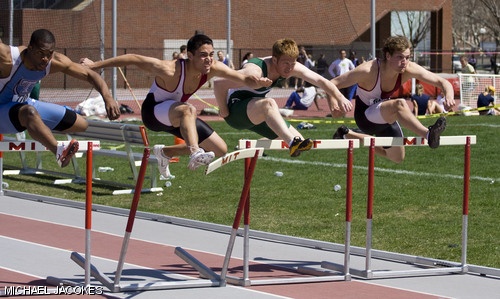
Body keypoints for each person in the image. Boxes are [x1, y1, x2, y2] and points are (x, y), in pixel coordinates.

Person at [81, 34, 271, 178]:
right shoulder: (169, 68)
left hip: (178, 116)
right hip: (154, 114)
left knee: (219, 150)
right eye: (203, 55)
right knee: (188, 109)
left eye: (211, 55)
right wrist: (95, 65)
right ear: (190, 55)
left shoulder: (213, 68)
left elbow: (242, 78)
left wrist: (258, 82)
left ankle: (164, 152)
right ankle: (195, 151)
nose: (209, 59)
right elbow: (132, 58)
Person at [0, 28, 120, 168]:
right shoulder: (7, 57)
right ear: (30, 48)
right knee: (29, 112)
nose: (45, 59)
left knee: (81, 124)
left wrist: (108, 98)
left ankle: (35, 127)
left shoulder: (55, 61)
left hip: (22, 103)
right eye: (40, 53)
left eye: (49, 54)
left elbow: (90, 75)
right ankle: (59, 151)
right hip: (4, 109)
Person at [214, 38, 351, 157]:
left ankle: (253, 146)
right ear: (274, 59)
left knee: (300, 139)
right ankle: (292, 143)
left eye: (293, 63)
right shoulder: (255, 69)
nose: (290, 68)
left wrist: (340, 98)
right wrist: (224, 111)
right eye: (286, 63)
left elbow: (321, 81)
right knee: (269, 104)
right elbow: (219, 83)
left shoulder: (292, 66)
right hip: (236, 110)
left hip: (255, 112)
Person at [331, 35, 455, 163]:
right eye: (400, 57)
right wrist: (334, 103)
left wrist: (449, 96)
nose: (404, 62)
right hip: (365, 117)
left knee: (397, 158)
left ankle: (348, 134)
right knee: (399, 104)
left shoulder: (408, 68)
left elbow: (442, 82)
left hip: (385, 115)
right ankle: (428, 134)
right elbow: (333, 83)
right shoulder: (368, 70)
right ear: (388, 56)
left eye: (407, 58)